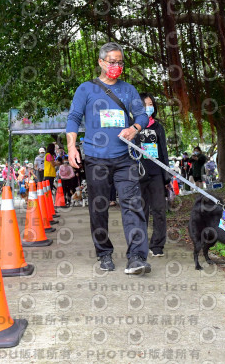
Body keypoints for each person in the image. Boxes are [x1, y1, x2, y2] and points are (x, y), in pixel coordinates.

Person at [66, 42, 151, 275]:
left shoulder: (128, 89)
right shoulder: (86, 89)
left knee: (133, 205)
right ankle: (104, 253)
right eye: (112, 62)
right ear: (101, 62)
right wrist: (72, 147)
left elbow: (142, 115)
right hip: (96, 158)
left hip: (125, 157)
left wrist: (134, 127)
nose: (116, 66)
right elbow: (73, 118)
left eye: (120, 62)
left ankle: (136, 257)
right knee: (99, 207)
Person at [134, 92, 170, 257]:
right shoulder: (132, 126)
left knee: (159, 210)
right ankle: (140, 245)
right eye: (145, 105)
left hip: (156, 174)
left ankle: (157, 245)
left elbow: (164, 152)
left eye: (150, 104)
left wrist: (166, 176)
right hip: (138, 174)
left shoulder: (158, 127)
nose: (149, 108)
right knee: (141, 211)